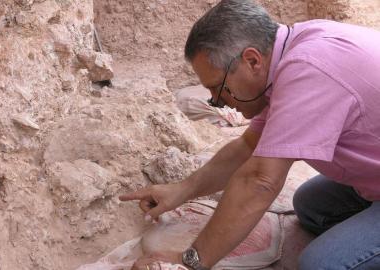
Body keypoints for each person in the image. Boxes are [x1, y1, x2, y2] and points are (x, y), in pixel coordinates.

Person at [119, 0, 380, 269]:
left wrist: (192, 261)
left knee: (321, 264)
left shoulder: (309, 68)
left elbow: (261, 181)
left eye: (218, 88)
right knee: (312, 206)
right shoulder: (291, 53)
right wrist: (183, 190)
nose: (217, 101)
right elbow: (247, 146)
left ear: (252, 60)